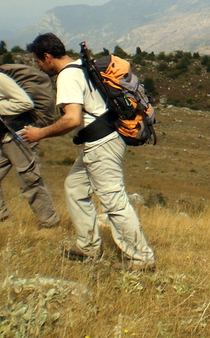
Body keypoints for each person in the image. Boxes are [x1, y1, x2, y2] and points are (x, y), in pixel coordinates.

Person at [21, 33, 155, 271]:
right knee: (75, 187)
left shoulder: (67, 77)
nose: (39, 67)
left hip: (100, 144)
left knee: (114, 201)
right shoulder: (81, 65)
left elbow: (72, 119)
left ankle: (140, 259)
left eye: (39, 62)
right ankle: (88, 247)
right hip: (107, 138)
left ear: (48, 57)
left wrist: (40, 133)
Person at [0, 43, 60, 228]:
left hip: (18, 137)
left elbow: (26, 103)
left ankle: (51, 225)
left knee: (30, 183)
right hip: (5, 138)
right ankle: (2, 222)